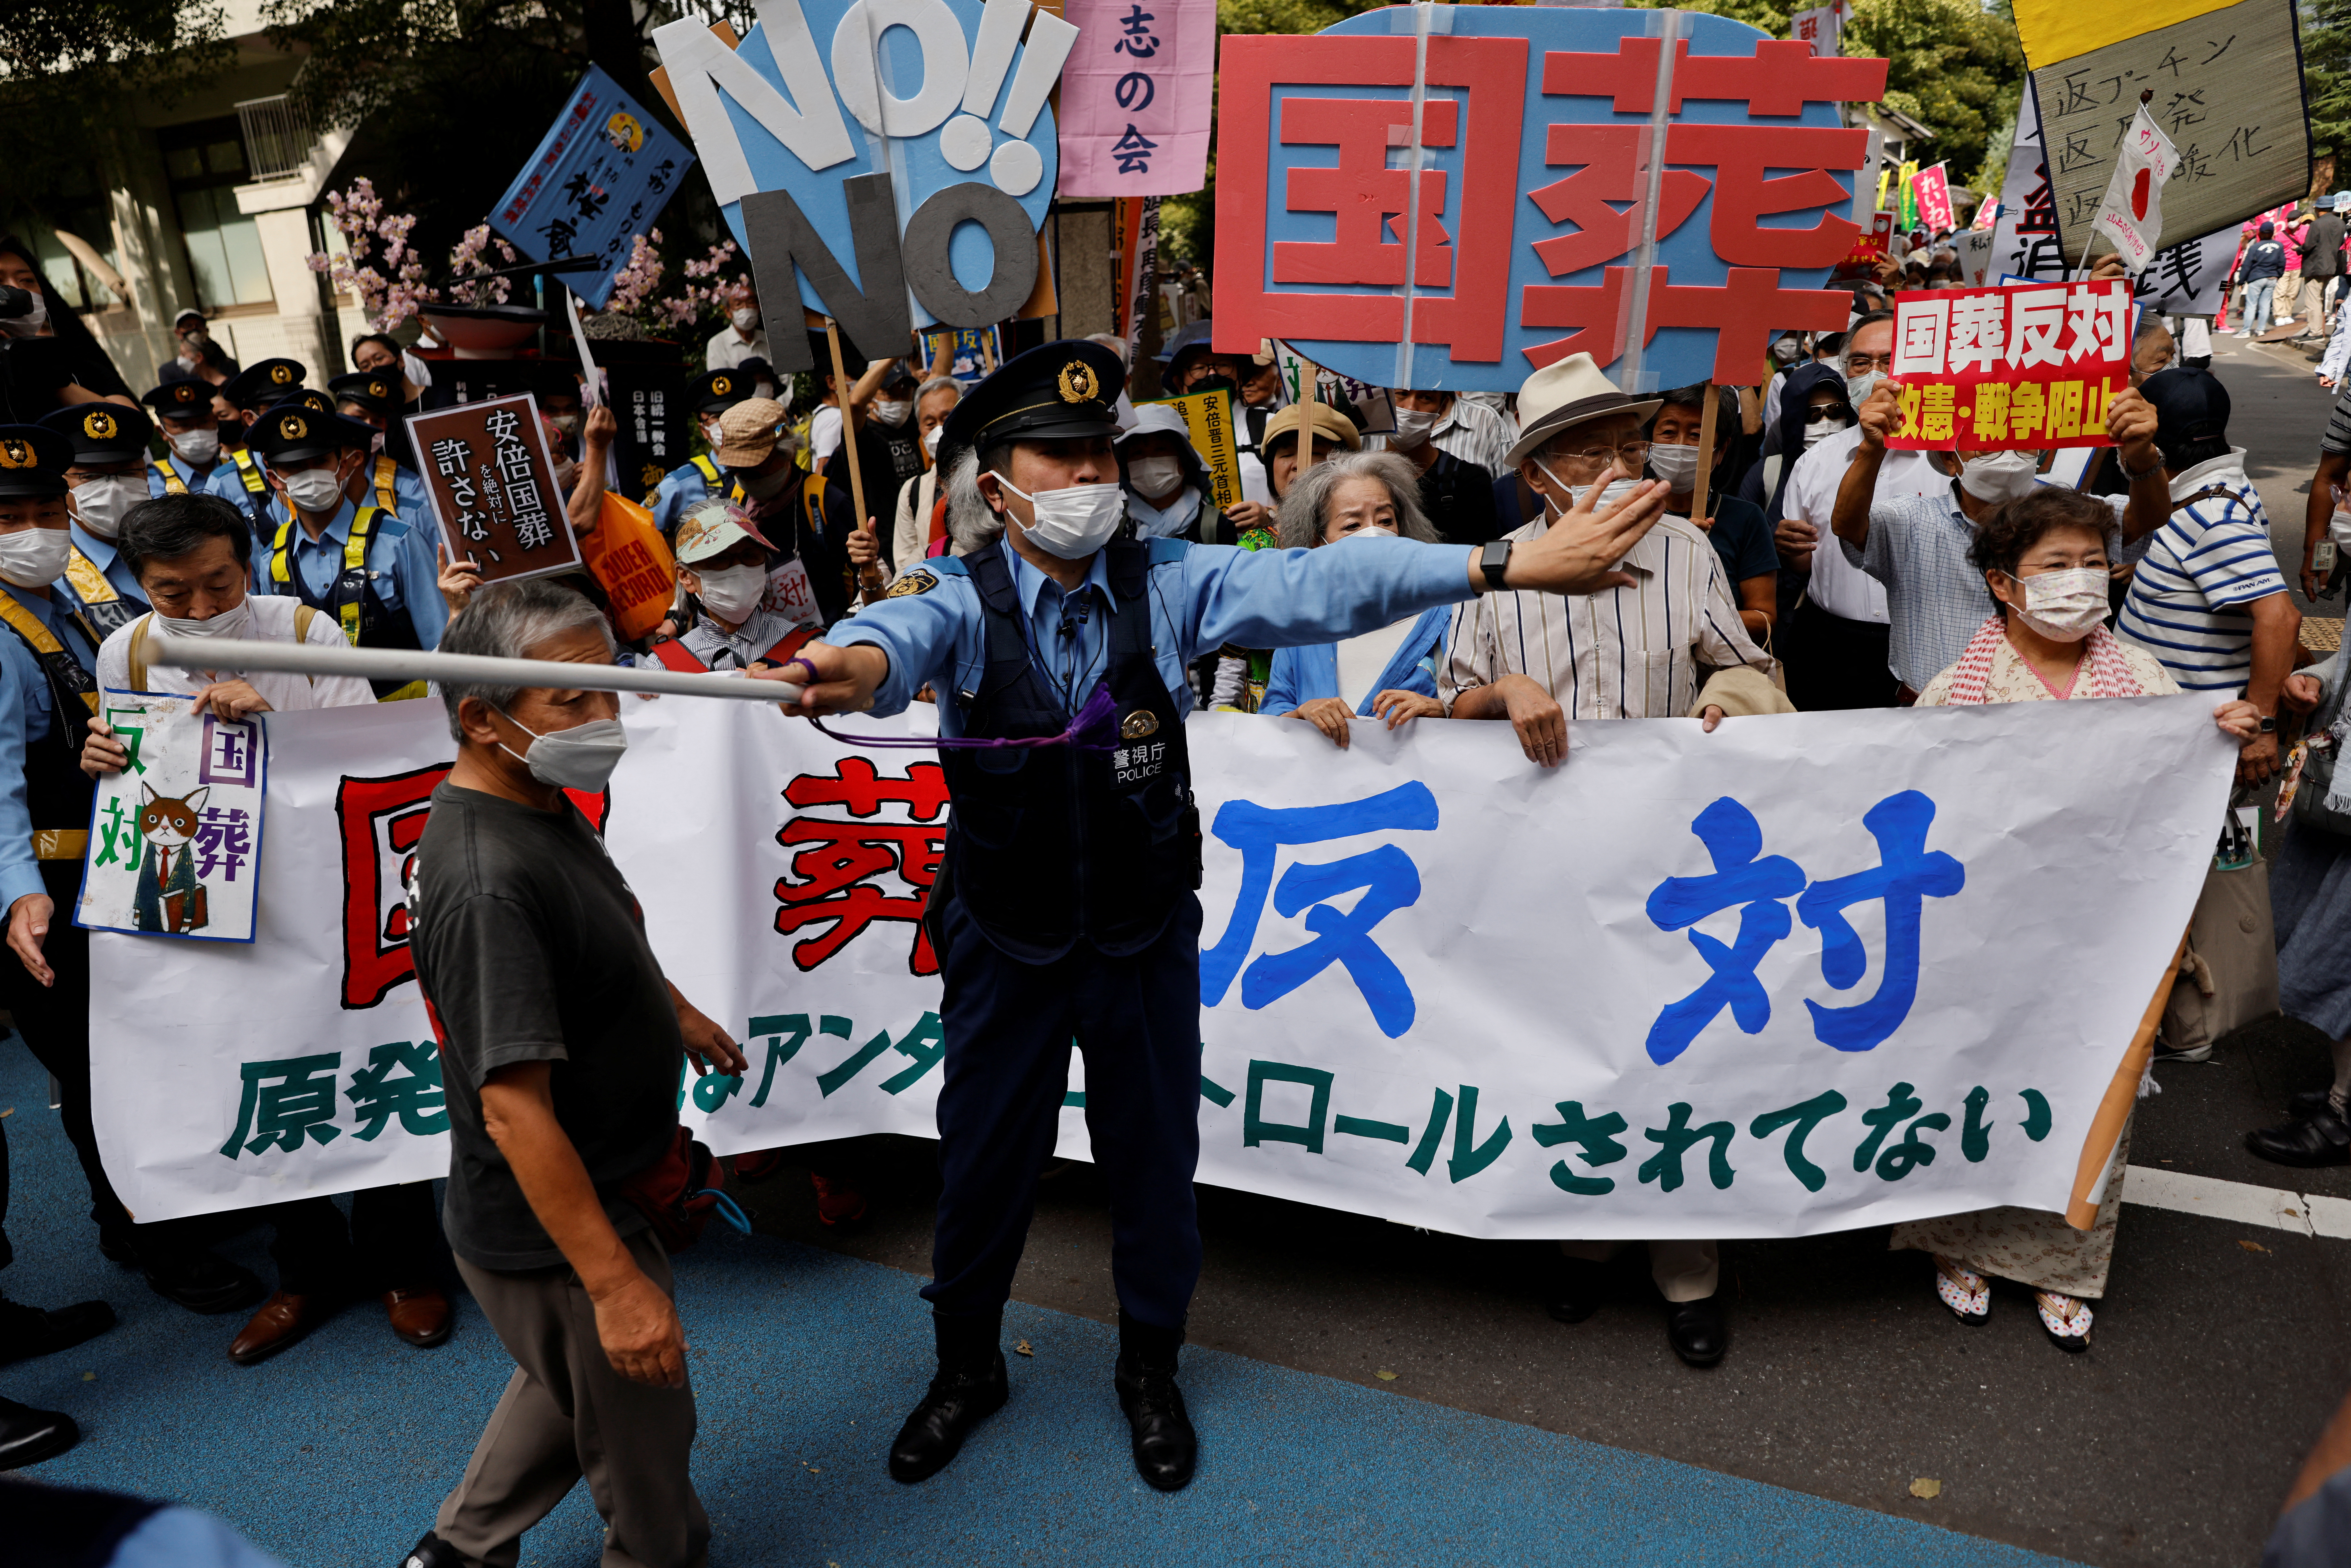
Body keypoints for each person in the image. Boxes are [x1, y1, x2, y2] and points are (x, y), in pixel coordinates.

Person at [758, 339, 1673, 1491]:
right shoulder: (951, 597)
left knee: (1153, 1164)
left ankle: (1149, 1370)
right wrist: (842, 664)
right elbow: (886, 649)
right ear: (995, 484)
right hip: (1005, 938)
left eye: (1103, 450)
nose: (1095, 475)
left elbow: (1320, 585)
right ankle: (965, 1367)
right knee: (984, 1164)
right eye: (1064, 455)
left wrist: (1496, 561)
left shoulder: (1174, 579)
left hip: (1139, 934)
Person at [399, 579, 744, 1568]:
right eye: (570, 699)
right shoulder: (486, 880)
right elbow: (513, 1110)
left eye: (607, 689)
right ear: (480, 714)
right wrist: (616, 1282)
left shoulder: (535, 800)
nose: (603, 718)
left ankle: (460, 1551)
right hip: (559, 1221)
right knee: (645, 1442)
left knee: (568, 1381)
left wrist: (670, 1009)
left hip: (597, 1183)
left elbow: (596, 936)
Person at [76, 492, 451, 1363]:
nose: (204, 609)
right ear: (140, 585)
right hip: (207, 897)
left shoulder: (302, 629)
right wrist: (100, 760)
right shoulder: (124, 650)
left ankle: (407, 1263)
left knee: (366, 1056)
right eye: (175, 593)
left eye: (219, 582)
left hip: (331, 888)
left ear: (248, 563)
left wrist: (282, 719)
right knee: (257, 1070)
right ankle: (307, 1270)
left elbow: (374, 750)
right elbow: (132, 773)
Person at [1890, 487, 2261, 1350]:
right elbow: (1910, 805)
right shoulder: (1958, 691)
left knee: (2092, 1098)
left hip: (2105, 947)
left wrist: (2222, 743)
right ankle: (1964, 1250)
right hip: (1985, 942)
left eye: (2093, 564)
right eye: (2054, 566)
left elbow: (2182, 803)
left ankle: (2061, 1265)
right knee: (1974, 1092)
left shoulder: (2146, 683)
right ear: (2002, 585)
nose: (2079, 581)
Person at [0, 425, 263, 1335]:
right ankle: (145, 1235)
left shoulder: (76, 605)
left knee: (144, 1048)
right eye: (9, 519)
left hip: (123, 868)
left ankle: (164, 1206)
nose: (31, 531)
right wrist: (14, 893)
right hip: (43, 896)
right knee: (93, 1069)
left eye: (44, 512)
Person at [1830, 379, 2168, 700]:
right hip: (1934, 714)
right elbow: (1848, 526)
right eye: (1987, 442)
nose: (2008, 454)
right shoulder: (1910, 522)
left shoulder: (2068, 516)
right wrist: (1872, 448)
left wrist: (2142, 454)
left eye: (2021, 440)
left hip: (2052, 709)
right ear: (1951, 460)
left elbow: (2145, 519)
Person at [2115, 365, 2299, 785]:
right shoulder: (2205, 490)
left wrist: (2261, 728)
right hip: (2162, 724)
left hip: (2190, 736)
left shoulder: (2214, 515)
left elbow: (2282, 618)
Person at [1769, 316, 1922, 711]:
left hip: (1927, 647)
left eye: (1889, 361)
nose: (1875, 374)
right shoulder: (1815, 462)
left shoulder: (1951, 458)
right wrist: (1790, 548)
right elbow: (1805, 562)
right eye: (1860, 363)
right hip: (1832, 649)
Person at [247, 402, 450, 688]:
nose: (309, 475)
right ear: (275, 479)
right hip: (322, 726)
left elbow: (441, 645)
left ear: (342, 467)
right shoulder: (272, 560)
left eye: (320, 462)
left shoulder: (397, 541)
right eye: (294, 468)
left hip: (409, 724)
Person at [1260, 449, 1450, 748]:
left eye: (1385, 519)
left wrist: (1442, 709)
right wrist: (1300, 715)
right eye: (1352, 525)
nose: (1373, 532)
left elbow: (1479, 704)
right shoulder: (1302, 626)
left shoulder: (1448, 615)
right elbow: (1269, 720)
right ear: (1317, 542)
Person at [1646, 383, 1777, 641]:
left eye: (1697, 435)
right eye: (1669, 432)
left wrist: (1695, 617)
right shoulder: (1624, 515)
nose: (1681, 446)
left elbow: (1764, 618)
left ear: (1722, 450)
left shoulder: (1745, 519)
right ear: (1650, 440)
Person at [719, 397, 863, 628]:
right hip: (757, 644)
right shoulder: (731, 500)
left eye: (755, 467)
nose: (746, 477)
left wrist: (853, 622)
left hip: (823, 644)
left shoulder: (825, 501)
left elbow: (869, 569)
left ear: (787, 453)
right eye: (737, 470)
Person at [643, 500, 821, 672]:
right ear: (686, 577)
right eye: (720, 558)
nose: (739, 568)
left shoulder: (811, 651)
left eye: (750, 555)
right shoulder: (662, 670)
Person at [36, 403, 154, 640]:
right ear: (61, 485)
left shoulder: (180, 544)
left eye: (128, 472)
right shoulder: (46, 571)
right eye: (91, 476)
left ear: (145, 473)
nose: (114, 488)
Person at [0, 237, 137, 426]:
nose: (17, 290)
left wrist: (51, 381)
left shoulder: (82, 368)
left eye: (27, 280)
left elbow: (133, 426)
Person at [1365, 388, 1504, 546]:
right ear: (1383, 398)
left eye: (1426, 398)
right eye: (1402, 394)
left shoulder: (1469, 482)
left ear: (1443, 406)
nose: (1411, 407)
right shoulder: (1360, 477)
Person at [649, 368, 752, 537]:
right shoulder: (682, 483)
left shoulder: (773, 466)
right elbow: (639, 529)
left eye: (736, 413)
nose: (729, 423)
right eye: (718, 417)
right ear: (704, 430)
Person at [327, 370, 433, 531]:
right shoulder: (316, 475)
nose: (367, 427)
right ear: (338, 416)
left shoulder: (409, 487)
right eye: (358, 418)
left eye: (377, 421)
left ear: (386, 427)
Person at [209, 358, 307, 529]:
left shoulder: (329, 465)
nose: (288, 416)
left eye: (295, 404)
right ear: (250, 418)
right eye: (275, 408)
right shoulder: (224, 483)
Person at [1116, 404, 1232, 543]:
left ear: (1184, 459)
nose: (1148, 461)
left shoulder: (1215, 526)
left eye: (1160, 450)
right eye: (1138, 453)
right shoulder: (1115, 525)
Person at [887, 376, 962, 578]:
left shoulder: (993, 476)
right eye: (930, 423)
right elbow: (905, 565)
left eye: (947, 419)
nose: (939, 430)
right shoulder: (913, 491)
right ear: (920, 429)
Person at [140, 379, 235, 506]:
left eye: (204, 422)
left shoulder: (239, 471)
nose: (197, 432)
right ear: (162, 432)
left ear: (216, 421)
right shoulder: (150, 484)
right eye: (184, 426)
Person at [158, 309, 239, 388]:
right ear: (178, 333)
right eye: (188, 326)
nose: (194, 329)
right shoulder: (168, 371)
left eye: (199, 325)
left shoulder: (228, 365)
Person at [706, 281, 769, 371]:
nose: (745, 308)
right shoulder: (718, 344)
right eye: (738, 304)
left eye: (751, 302)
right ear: (728, 312)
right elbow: (721, 381)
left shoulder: (769, 341)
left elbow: (785, 380)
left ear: (758, 308)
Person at [2239, 222, 2289, 336]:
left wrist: (2242, 280)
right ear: (2272, 233)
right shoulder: (2279, 246)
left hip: (2257, 278)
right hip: (2272, 278)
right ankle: (2261, 330)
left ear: (2260, 233)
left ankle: (2246, 331)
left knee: (2251, 305)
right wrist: (2279, 275)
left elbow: (2247, 265)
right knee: (2266, 305)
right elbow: (2282, 262)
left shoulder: (2255, 247)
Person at [2304, 201, 2345, 338]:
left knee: (2313, 300)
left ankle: (2315, 332)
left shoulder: (2317, 224)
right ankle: (2317, 329)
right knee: (2320, 298)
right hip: (2332, 266)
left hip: (2315, 266)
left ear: (2319, 210)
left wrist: (2299, 249)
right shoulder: (2341, 223)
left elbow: (2308, 246)